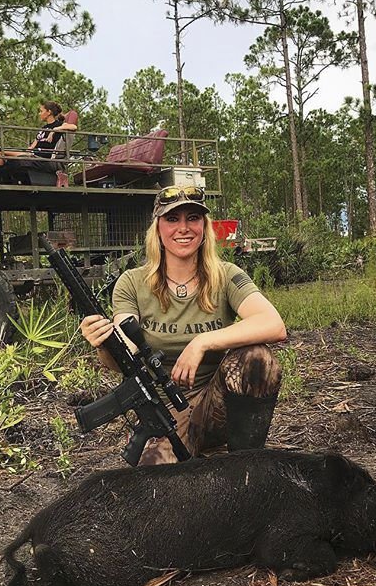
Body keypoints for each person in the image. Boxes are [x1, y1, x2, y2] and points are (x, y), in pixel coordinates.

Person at [80, 185, 287, 465]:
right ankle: (192, 453)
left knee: (257, 358)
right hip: (165, 411)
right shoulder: (132, 282)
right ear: (158, 228)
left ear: (204, 227)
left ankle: (245, 465)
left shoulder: (226, 276)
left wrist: (202, 341)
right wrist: (104, 342)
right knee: (155, 487)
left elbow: (273, 323)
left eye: (193, 218)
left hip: (218, 406)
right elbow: (123, 353)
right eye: (172, 219)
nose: (183, 228)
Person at [0, 101, 77, 184]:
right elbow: (32, 147)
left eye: (41, 111)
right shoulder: (43, 128)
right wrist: (24, 152)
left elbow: (73, 127)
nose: (39, 114)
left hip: (43, 157)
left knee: (9, 157)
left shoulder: (59, 125)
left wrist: (54, 130)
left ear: (49, 112)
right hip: (32, 154)